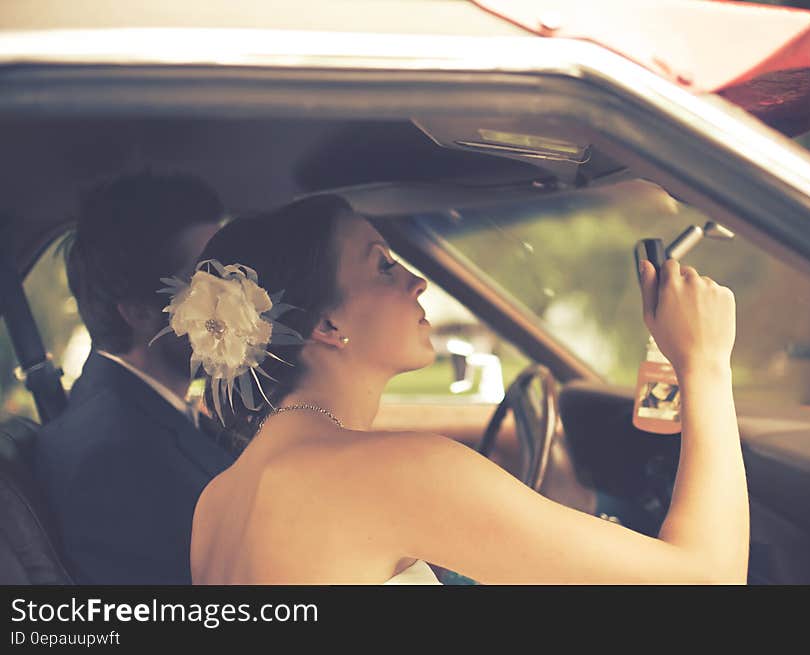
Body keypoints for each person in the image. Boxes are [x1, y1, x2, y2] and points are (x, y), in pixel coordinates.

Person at [181, 193, 748, 585]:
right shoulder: (391, 474)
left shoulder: (219, 500)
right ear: (327, 326)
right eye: (383, 267)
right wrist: (704, 363)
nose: (416, 280)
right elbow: (709, 580)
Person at [31, 170, 237, 584]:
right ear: (142, 311)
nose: (238, 301)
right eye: (209, 284)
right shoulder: (112, 459)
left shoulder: (148, 417)